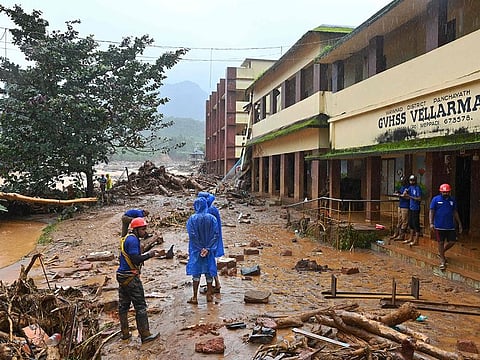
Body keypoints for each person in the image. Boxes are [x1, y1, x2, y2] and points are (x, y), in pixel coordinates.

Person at [116, 217, 161, 343]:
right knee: (140, 306)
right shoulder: (133, 241)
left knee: (123, 306)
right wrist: (149, 255)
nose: (144, 231)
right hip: (131, 278)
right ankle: (145, 334)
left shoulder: (127, 238)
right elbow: (135, 259)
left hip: (122, 275)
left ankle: (125, 333)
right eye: (142, 229)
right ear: (136, 230)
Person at [186, 197, 219, 305]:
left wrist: (200, 248)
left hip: (196, 250)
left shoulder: (192, 219)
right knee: (209, 272)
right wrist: (208, 248)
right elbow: (216, 235)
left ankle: (195, 297)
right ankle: (209, 295)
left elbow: (192, 235)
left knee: (196, 273)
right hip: (209, 250)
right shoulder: (212, 218)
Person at [429, 183, 462, 270]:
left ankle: (442, 252)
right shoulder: (435, 200)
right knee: (440, 242)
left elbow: (455, 212)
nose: (445, 194)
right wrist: (431, 223)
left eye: (447, 192)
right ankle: (442, 260)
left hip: (450, 226)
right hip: (439, 226)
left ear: (449, 192)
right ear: (441, 192)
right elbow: (431, 211)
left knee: (452, 241)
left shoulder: (452, 200)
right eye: (444, 192)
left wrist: (459, 223)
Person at [198, 191, 224, 293]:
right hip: (213, 240)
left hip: (208, 242)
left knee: (209, 263)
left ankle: (213, 286)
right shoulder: (213, 209)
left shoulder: (207, 212)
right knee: (211, 261)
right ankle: (216, 283)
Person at [404, 174, 422, 246]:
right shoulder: (410, 187)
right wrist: (405, 193)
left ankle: (416, 240)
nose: (412, 182)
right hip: (411, 207)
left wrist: (410, 196)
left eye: (413, 180)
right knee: (410, 223)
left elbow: (419, 198)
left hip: (416, 208)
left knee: (416, 224)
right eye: (410, 180)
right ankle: (411, 238)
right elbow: (407, 197)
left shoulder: (417, 188)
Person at [391, 176, 410, 241]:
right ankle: (396, 234)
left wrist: (400, 195)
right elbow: (401, 193)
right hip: (400, 205)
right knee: (399, 220)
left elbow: (406, 196)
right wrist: (398, 192)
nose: (402, 183)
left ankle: (401, 235)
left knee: (405, 220)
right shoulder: (402, 187)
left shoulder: (408, 188)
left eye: (403, 181)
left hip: (405, 206)